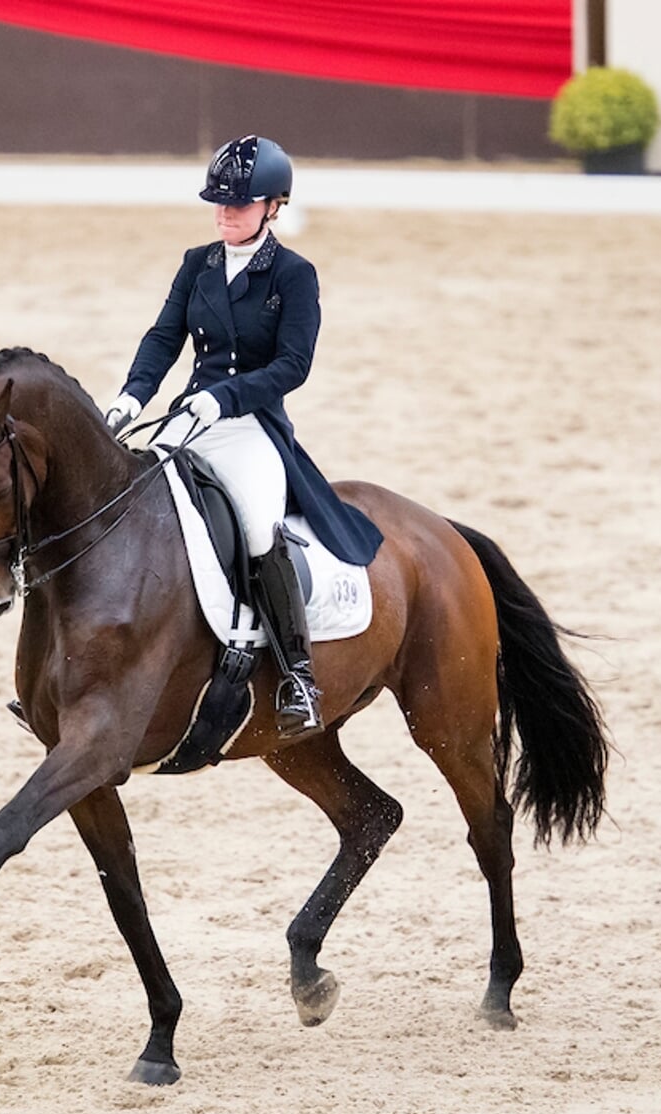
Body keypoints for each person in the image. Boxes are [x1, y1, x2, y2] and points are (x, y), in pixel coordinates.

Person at [103, 134, 382, 736]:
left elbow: (292, 366)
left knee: (259, 526)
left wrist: (221, 397)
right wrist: (131, 397)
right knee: (132, 507)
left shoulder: (293, 274)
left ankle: (298, 677)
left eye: (240, 204)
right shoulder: (195, 263)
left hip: (251, 425)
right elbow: (162, 338)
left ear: (273, 206)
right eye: (219, 204)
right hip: (189, 419)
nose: (226, 214)